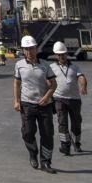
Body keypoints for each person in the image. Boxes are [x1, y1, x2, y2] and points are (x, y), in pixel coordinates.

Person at [13, 35, 58, 173]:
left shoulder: (45, 65)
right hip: (27, 104)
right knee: (27, 132)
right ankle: (33, 154)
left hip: (44, 105)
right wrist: (16, 100)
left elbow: (53, 84)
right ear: (23, 50)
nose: (29, 52)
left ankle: (45, 162)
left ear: (36, 49)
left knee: (47, 134)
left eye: (31, 49)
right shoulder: (19, 65)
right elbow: (17, 83)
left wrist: (47, 97)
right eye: (26, 49)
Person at [51, 41, 88, 155]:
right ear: (56, 55)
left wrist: (83, 86)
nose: (61, 56)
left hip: (74, 99)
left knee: (76, 123)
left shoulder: (74, 66)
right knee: (62, 123)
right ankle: (65, 145)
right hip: (59, 98)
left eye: (63, 54)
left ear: (66, 54)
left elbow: (81, 77)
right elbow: (47, 82)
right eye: (59, 55)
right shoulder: (51, 67)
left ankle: (76, 143)